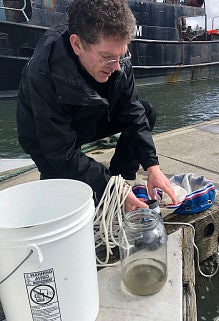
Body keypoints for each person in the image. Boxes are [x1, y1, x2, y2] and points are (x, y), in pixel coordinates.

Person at [17, 0, 177, 211]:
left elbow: (133, 113)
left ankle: (121, 178)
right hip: (44, 133)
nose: (117, 67)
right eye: (108, 58)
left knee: (145, 113)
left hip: (91, 114)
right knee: (62, 188)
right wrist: (109, 186)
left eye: (121, 55)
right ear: (77, 44)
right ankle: (108, 188)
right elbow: (61, 152)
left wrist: (152, 166)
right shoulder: (43, 72)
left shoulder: (117, 59)